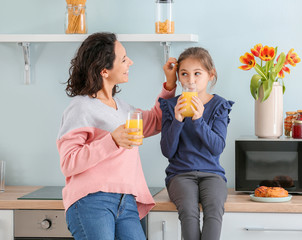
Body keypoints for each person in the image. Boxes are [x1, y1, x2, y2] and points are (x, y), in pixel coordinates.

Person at [56, 32, 176, 240]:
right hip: (91, 202)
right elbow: (68, 162)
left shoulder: (122, 109)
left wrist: (169, 85)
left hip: (126, 202)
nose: (130, 62)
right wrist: (111, 141)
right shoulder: (80, 107)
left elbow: (157, 121)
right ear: (104, 71)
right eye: (123, 59)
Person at [159, 47, 234, 240]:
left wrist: (199, 120)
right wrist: (177, 120)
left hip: (212, 174)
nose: (190, 80)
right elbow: (168, 151)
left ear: (210, 75)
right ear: (178, 76)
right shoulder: (170, 106)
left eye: (197, 73)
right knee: (189, 213)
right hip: (180, 175)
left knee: (215, 210)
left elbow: (217, 147)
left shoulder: (219, 106)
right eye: (184, 74)